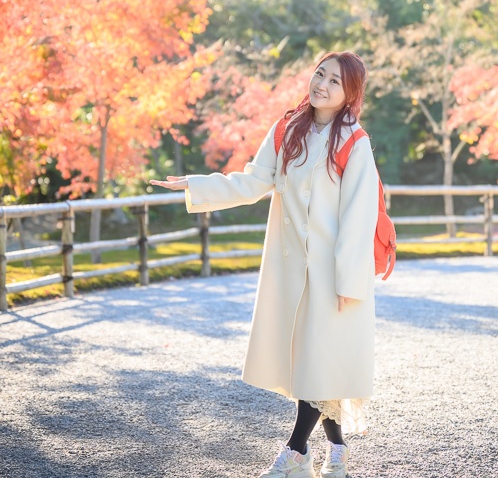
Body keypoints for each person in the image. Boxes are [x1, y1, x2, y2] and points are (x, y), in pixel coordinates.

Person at [150, 51, 379, 478]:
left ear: (350, 94)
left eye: (335, 81)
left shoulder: (354, 140)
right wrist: (196, 184)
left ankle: (295, 453)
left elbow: (359, 214)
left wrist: (349, 279)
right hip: (295, 270)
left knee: (318, 361)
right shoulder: (287, 129)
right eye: (319, 73)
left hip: (333, 274)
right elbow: (253, 180)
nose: (322, 84)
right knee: (313, 362)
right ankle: (337, 453)